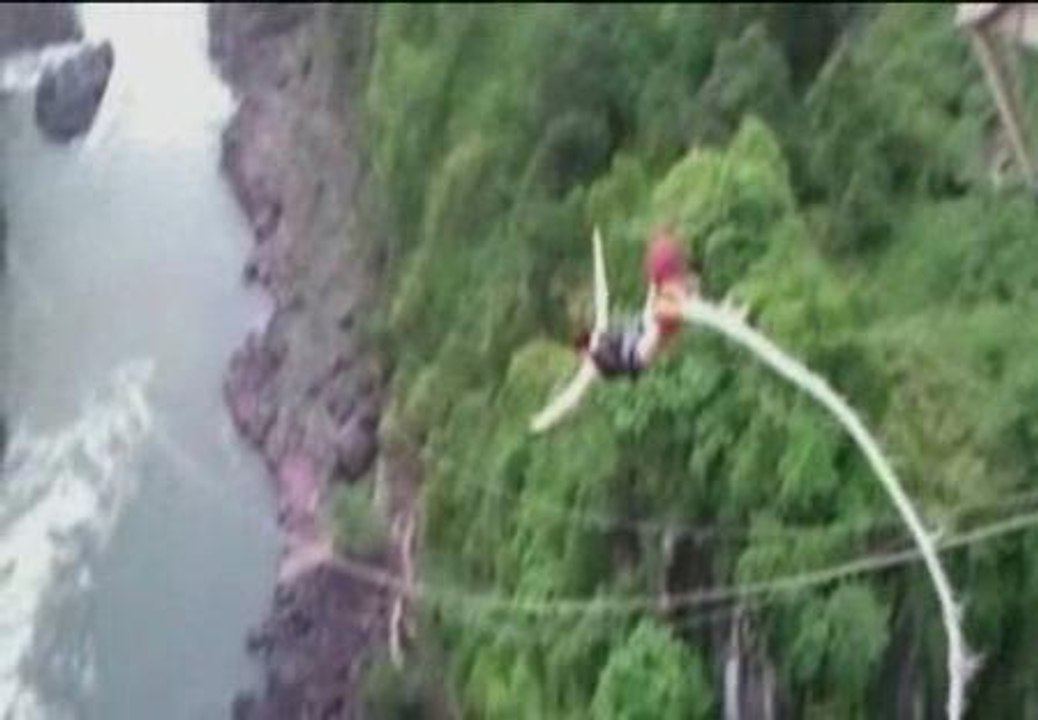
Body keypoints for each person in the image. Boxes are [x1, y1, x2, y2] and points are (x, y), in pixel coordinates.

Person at [530, 227, 697, 433]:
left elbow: (602, 294)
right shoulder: (593, 364)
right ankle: (678, 302)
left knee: (650, 310)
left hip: (638, 335)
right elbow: (572, 396)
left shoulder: (600, 336)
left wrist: (597, 249)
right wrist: (544, 419)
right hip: (638, 354)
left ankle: (670, 285)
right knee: (653, 324)